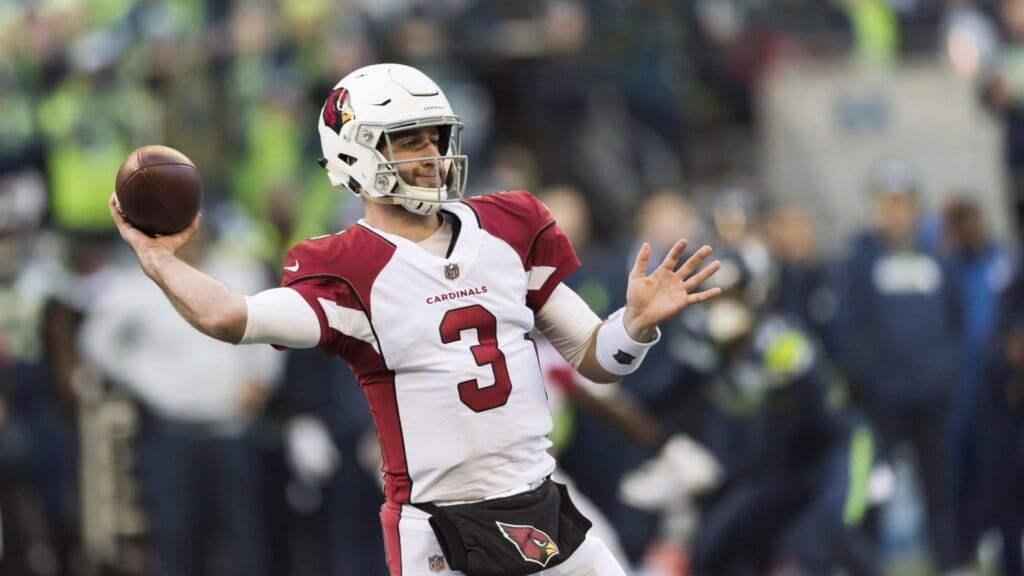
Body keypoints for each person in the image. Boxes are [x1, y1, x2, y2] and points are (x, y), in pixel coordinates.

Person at [107, 63, 721, 576]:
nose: (431, 155)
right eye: (408, 141)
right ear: (354, 151)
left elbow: (597, 358)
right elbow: (226, 315)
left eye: (435, 137)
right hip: (441, 527)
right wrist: (159, 261)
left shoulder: (509, 226)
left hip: (542, 504)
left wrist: (635, 324)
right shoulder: (347, 267)